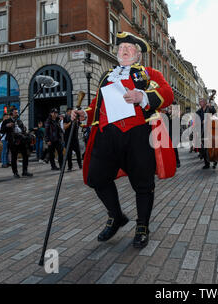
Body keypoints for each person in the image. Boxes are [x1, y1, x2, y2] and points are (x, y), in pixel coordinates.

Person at [72, 31, 174, 248]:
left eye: (129, 48)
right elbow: (97, 104)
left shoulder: (149, 73)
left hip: (137, 135)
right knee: (96, 178)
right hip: (107, 136)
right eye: (120, 48)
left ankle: (142, 226)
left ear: (137, 55)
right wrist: (84, 115)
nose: (124, 50)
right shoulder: (107, 76)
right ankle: (116, 216)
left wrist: (143, 96)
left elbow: (168, 93)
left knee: (143, 185)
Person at [0, 107, 33, 178]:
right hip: (13, 141)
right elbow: (2, 131)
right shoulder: (6, 121)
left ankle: (25, 171)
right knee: (14, 157)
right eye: (15, 112)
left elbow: (23, 130)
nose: (17, 114)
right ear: (11, 113)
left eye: (17, 112)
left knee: (25, 155)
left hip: (21, 141)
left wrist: (24, 130)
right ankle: (15, 172)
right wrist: (7, 126)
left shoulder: (19, 121)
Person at [196, 98, 218, 169]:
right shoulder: (199, 111)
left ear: (205, 102)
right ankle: (207, 163)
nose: (200, 103)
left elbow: (215, 113)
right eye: (199, 102)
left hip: (210, 130)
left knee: (212, 147)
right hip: (203, 131)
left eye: (201, 102)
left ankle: (215, 160)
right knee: (203, 148)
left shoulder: (210, 109)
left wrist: (211, 107)